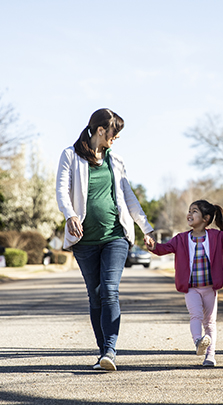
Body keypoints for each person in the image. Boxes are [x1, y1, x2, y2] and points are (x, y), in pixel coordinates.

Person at [56, 108, 155, 372]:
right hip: (84, 240)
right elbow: (62, 191)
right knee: (95, 295)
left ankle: (110, 348)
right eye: (115, 132)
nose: (117, 137)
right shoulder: (70, 155)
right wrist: (70, 215)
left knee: (110, 290)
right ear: (101, 130)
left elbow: (128, 196)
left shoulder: (116, 160)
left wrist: (146, 227)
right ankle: (103, 353)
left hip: (115, 236)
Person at [146, 200, 223, 366]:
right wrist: (153, 246)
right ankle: (198, 342)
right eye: (189, 211)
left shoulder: (216, 236)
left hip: (210, 288)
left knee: (210, 323)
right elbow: (163, 249)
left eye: (194, 211)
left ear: (205, 218)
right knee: (195, 316)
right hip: (191, 289)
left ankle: (210, 356)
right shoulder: (181, 239)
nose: (189, 214)